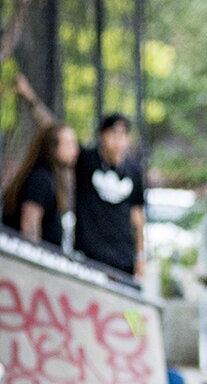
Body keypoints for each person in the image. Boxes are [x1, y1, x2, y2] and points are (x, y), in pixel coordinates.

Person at [73, 113, 146, 279]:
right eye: (113, 133)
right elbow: (55, 133)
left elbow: (137, 215)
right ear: (102, 135)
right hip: (91, 253)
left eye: (123, 134)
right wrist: (30, 97)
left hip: (123, 255)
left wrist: (140, 255)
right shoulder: (87, 161)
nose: (118, 140)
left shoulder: (133, 170)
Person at [2, 121, 79, 247]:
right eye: (69, 143)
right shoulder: (40, 179)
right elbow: (30, 228)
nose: (75, 150)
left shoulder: (49, 178)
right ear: (53, 148)